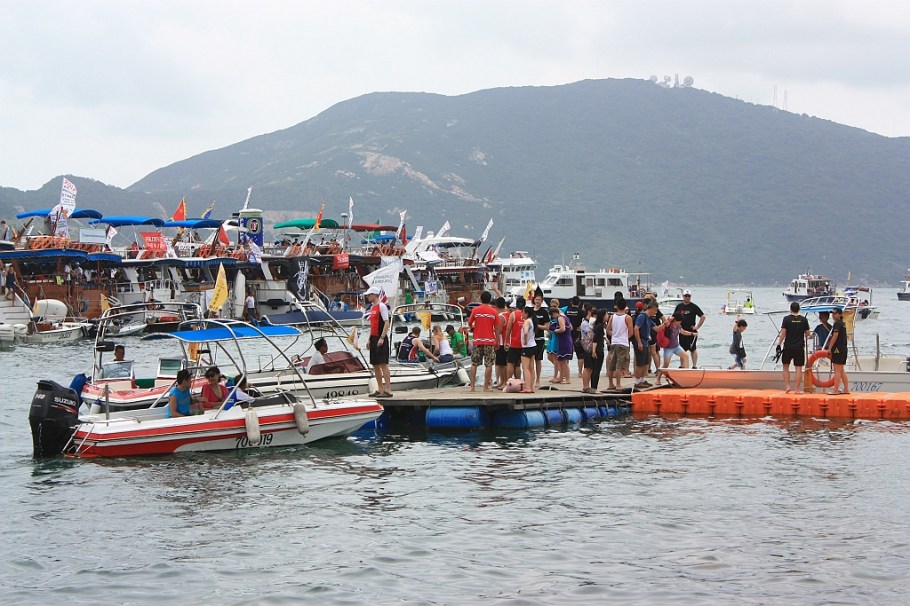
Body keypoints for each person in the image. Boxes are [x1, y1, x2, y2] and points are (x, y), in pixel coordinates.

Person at [467, 291, 501, 391]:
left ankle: (472, 386)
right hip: (489, 340)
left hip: (477, 340)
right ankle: (486, 387)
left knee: (474, 363)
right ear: (490, 300)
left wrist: (473, 328)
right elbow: (497, 328)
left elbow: (469, 323)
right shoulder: (494, 312)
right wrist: (497, 341)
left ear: (481, 299)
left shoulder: (475, 310)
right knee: (489, 364)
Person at [777, 301, 811, 393]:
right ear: (799, 309)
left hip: (788, 346)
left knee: (785, 366)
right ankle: (796, 389)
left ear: (790, 309)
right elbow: (808, 334)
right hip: (799, 347)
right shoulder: (804, 320)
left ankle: (787, 386)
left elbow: (783, 333)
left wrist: (779, 344)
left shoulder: (786, 319)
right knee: (799, 368)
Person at [365, 285, 392, 397]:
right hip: (373, 337)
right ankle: (380, 388)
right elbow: (373, 325)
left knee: (383, 364)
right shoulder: (372, 307)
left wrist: (382, 337)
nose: (368, 297)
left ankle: (388, 389)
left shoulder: (382, 306)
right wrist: (369, 339)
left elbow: (386, 322)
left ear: (375, 295)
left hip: (381, 337)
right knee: (375, 364)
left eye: (369, 295)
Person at [674, 289, 706, 368]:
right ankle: (682, 365)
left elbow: (703, 316)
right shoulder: (679, 306)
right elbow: (674, 317)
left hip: (691, 331)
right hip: (681, 331)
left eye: (689, 296)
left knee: (693, 349)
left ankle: (694, 365)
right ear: (683, 296)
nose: (687, 297)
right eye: (686, 296)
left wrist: (697, 327)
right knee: (682, 349)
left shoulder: (693, 306)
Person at [607, 299, 633, 390]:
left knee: (612, 364)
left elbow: (608, 330)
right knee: (619, 365)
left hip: (614, 342)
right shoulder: (627, 317)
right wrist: (625, 337)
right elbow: (631, 332)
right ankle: (618, 384)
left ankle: (611, 384)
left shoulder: (612, 317)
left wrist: (614, 335)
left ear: (616, 306)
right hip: (623, 343)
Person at [633, 303, 657, 387]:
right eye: (655, 311)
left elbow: (656, 329)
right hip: (641, 341)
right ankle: (637, 381)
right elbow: (636, 328)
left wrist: (665, 324)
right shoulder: (642, 316)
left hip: (646, 342)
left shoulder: (649, 318)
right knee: (640, 363)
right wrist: (639, 342)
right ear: (652, 309)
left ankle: (642, 379)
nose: (655, 313)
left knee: (645, 362)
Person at [826, 308, 850, 394]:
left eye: (835, 313)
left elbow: (835, 335)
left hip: (838, 349)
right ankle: (846, 389)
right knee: (841, 370)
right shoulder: (842, 324)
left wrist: (829, 348)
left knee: (837, 370)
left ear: (839, 314)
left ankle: (835, 390)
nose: (833, 315)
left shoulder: (837, 324)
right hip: (843, 348)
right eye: (832, 314)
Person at [548, 305, 574, 384]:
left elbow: (563, 328)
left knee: (563, 362)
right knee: (560, 360)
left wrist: (556, 330)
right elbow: (571, 328)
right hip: (565, 339)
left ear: (555, 313)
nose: (553, 317)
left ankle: (568, 379)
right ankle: (561, 379)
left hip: (564, 340)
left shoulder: (560, 318)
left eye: (553, 315)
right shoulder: (566, 317)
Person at [503, 296, 525, 381]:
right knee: (518, 364)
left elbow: (508, 329)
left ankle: (509, 381)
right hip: (523, 344)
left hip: (514, 343)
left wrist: (506, 341)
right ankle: (518, 381)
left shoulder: (513, 314)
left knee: (510, 363)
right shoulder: (526, 314)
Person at [519, 305, 537, 393]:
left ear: (526, 313)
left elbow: (525, 332)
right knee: (531, 368)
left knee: (525, 368)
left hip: (527, 347)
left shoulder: (526, 322)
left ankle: (528, 387)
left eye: (523, 312)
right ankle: (532, 387)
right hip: (533, 345)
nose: (521, 314)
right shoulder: (532, 321)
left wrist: (525, 341)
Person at [493, 296, 509, 388]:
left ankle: (504, 381)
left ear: (496, 305)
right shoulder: (508, 314)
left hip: (502, 342)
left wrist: (497, 342)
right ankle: (502, 381)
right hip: (507, 341)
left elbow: (498, 331)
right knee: (501, 362)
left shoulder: (501, 317)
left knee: (502, 363)